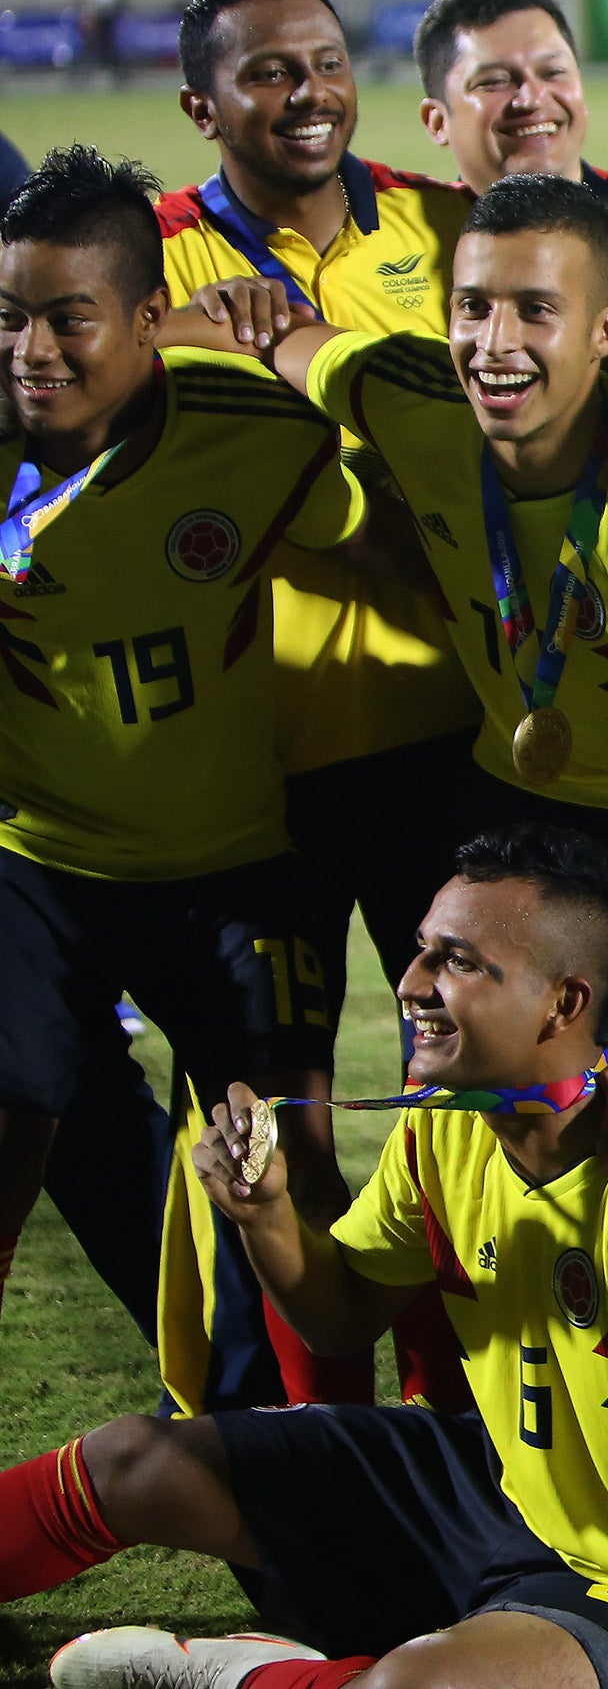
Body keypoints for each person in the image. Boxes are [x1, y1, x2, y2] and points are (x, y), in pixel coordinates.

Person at [0, 825, 608, 1689]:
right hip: (501, 1488)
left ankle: (250, 1674)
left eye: (459, 962)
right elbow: (343, 1310)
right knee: (132, 1463)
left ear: (564, 1003)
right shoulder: (450, 1129)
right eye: (424, 949)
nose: (410, 983)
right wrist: (265, 1213)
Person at [183, 174, 608, 1247]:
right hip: (513, 817)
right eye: (473, 305)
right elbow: (275, 334)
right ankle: (466, 1399)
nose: (494, 341)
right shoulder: (407, 394)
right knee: (475, 1161)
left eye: (537, 308)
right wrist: (145, 329)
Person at [0, 148, 371, 1406]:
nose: (31, 350)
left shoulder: (256, 427)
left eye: (68, 318)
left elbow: (385, 529)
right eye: (8, 316)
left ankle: (321, 1466)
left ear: (149, 321)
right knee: (9, 1121)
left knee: (287, 1159)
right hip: (36, 866)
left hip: (230, 863)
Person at [158, 0, 480, 1043]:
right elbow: (47, 363)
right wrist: (173, 331)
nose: (311, 92)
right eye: (270, 73)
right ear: (202, 107)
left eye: (329, 64)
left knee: (477, 1073)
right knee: (267, 1108)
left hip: (446, 735)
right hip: (247, 767)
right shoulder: (150, 256)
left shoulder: (442, 226)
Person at [408, 0, 608, 380]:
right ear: (437, 121)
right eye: (494, 81)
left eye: (552, 73)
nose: (531, 99)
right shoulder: (402, 247)